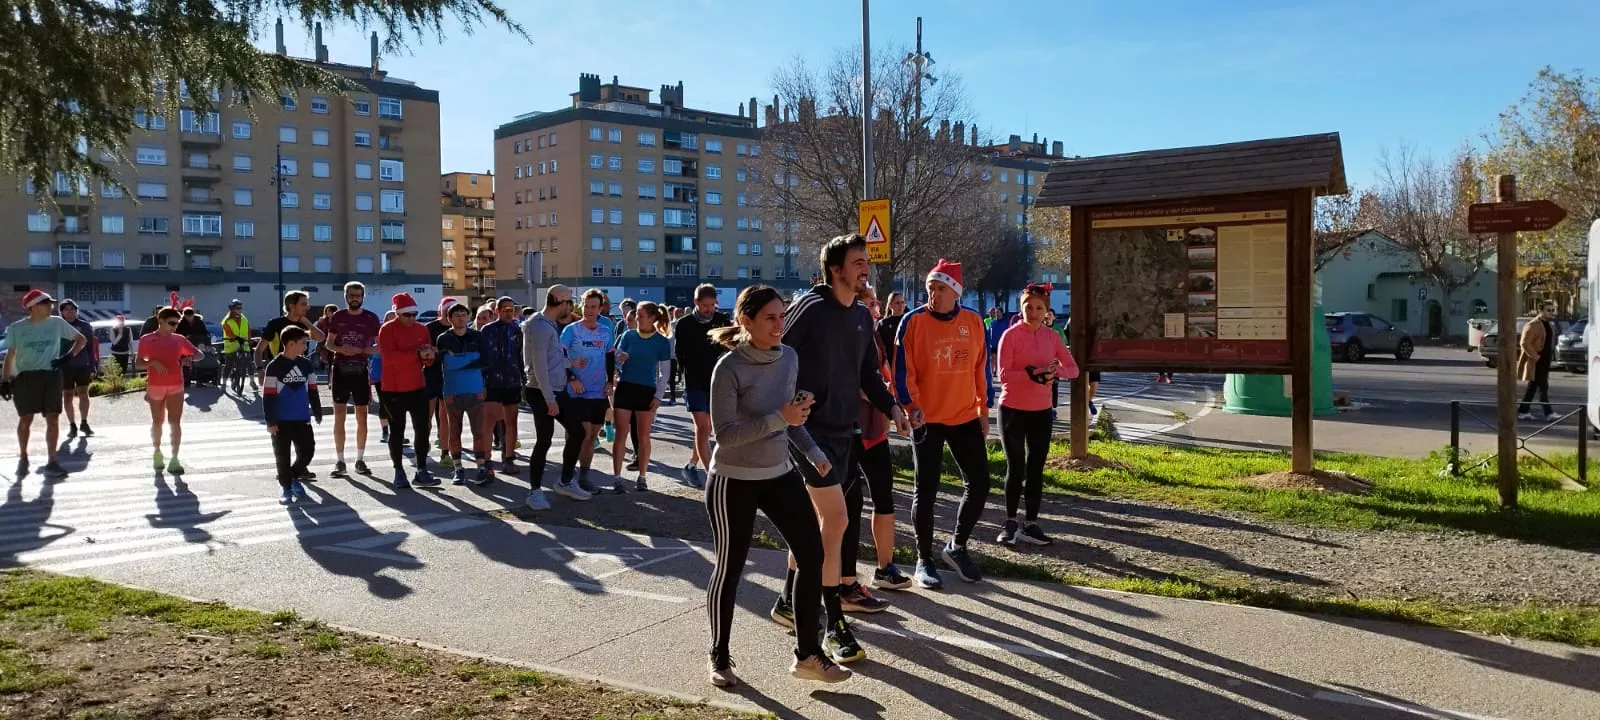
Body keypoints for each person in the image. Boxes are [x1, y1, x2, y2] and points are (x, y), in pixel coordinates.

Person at [703, 285, 850, 687]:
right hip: (733, 479)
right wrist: (780, 418)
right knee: (729, 569)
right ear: (745, 322)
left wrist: (814, 451)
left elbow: (792, 419)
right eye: (770, 317)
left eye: (782, 316)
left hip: (779, 473)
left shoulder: (789, 357)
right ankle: (719, 655)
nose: (779, 324)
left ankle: (807, 654)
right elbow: (726, 435)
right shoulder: (728, 368)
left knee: (812, 554)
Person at [778, 233, 909, 665]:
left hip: (842, 433)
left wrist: (892, 406)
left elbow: (868, 373)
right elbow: (777, 354)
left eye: (865, 261)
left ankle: (786, 601)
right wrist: (785, 405)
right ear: (835, 269)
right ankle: (833, 622)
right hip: (806, 432)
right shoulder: (811, 308)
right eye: (857, 261)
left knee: (821, 525)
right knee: (836, 522)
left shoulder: (860, 316)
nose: (864, 268)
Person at [895, 258, 993, 588]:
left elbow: (981, 369)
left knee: (980, 483)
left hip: (965, 415)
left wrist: (983, 409)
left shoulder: (974, 321)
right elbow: (901, 372)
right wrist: (911, 407)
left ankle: (957, 546)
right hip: (928, 420)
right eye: (930, 289)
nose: (933, 295)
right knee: (927, 490)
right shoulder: (912, 322)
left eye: (940, 288)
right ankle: (924, 559)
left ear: (955, 292)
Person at [997, 284, 1080, 547]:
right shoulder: (1010, 335)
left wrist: (1053, 373)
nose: (1033, 312)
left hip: (1041, 412)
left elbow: (1073, 369)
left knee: (1035, 469)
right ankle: (1010, 522)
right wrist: (1032, 373)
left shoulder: (1052, 337)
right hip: (1012, 409)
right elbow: (1003, 374)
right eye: (1028, 307)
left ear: (1047, 311)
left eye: (1038, 308)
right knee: (1016, 466)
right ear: (1021, 308)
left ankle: (1031, 524)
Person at [852, 284, 911, 594]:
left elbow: (880, 377)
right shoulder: (843, 334)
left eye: (875, 303)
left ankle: (884, 567)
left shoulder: (874, 334)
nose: (875, 308)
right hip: (844, 430)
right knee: (839, 507)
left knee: (883, 495)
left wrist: (894, 407)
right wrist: (877, 397)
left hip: (875, 429)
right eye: (868, 303)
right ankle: (823, 578)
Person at [1, 289, 87, 478]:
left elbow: (81, 340)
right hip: (26, 377)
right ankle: (23, 456)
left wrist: (67, 357)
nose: (52, 306)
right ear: (33, 307)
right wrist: (5, 380)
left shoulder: (56, 323)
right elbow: (10, 355)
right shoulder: (17, 328)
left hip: (51, 376)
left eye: (51, 303)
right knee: (26, 419)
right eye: (47, 303)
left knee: (53, 418)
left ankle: (52, 461)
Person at [521, 285, 575, 511]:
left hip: (551, 388)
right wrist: (550, 399)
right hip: (543, 390)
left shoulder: (544, 323)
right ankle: (535, 492)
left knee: (577, 431)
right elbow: (539, 366)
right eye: (569, 302)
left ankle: (565, 481)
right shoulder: (541, 326)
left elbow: (548, 360)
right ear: (560, 302)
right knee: (544, 439)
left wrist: (570, 364)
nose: (571, 307)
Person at [378, 293, 440, 489]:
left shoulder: (422, 329)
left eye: (414, 314)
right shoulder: (387, 329)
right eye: (407, 315)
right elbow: (389, 357)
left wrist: (429, 357)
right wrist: (416, 353)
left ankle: (421, 470)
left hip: (417, 386)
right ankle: (399, 471)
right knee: (397, 431)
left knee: (423, 430)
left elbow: (426, 360)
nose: (412, 318)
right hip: (393, 388)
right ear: (397, 313)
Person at [558, 289, 616, 495]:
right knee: (581, 434)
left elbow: (610, 357)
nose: (589, 310)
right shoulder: (571, 331)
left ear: (600, 309)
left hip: (598, 391)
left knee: (592, 435)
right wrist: (571, 378)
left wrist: (610, 381)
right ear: (580, 306)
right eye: (586, 306)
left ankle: (584, 477)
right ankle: (568, 477)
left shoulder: (605, 331)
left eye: (593, 307)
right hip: (576, 391)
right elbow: (558, 357)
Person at [674, 283, 732, 488]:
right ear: (696, 303)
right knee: (702, 427)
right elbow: (680, 355)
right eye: (705, 305)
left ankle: (692, 464)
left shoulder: (722, 320)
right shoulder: (684, 324)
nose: (709, 309)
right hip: (695, 382)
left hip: (719, 381)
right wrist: (682, 378)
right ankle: (711, 477)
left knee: (712, 429)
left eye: (712, 305)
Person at [611, 301, 673, 492]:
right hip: (625, 387)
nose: (636, 318)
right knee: (621, 434)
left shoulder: (662, 342)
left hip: (646, 390)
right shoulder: (628, 335)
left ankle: (642, 477)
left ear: (653, 318)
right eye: (636, 314)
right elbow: (616, 361)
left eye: (640, 315)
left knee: (643, 435)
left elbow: (665, 373)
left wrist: (658, 397)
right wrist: (619, 360)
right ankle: (617, 478)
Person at [324, 282, 382, 477]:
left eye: (358, 295)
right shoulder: (338, 317)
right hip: (340, 368)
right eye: (351, 295)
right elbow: (329, 344)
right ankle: (340, 460)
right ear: (345, 296)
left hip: (360, 369)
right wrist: (341, 349)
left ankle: (360, 459)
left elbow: (380, 347)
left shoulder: (371, 318)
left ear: (363, 296)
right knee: (339, 416)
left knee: (362, 417)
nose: (354, 298)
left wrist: (363, 350)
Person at [263, 326, 323, 504]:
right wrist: (270, 421)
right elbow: (268, 396)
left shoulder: (305, 364)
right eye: (303, 343)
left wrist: (317, 410)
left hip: (302, 418)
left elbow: (313, 389)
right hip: (281, 421)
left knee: (307, 452)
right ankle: (286, 489)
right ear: (290, 344)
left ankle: (292, 476)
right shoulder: (274, 367)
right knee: (282, 456)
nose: (306, 346)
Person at [435, 302, 493, 486]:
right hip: (452, 391)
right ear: (449, 318)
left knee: (479, 431)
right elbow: (445, 364)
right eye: (457, 315)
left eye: (463, 314)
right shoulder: (443, 338)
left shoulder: (477, 335)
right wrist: (470, 359)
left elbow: (486, 360)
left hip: (475, 390)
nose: (461, 318)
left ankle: (481, 466)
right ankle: (458, 468)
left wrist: (459, 362)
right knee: (454, 431)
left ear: (468, 317)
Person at [138, 306, 198, 475]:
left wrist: (188, 357)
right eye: (171, 323)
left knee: (175, 422)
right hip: (155, 385)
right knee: (157, 421)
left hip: (176, 385)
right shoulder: (147, 339)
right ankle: (157, 453)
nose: (174, 326)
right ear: (161, 321)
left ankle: (175, 459)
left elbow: (199, 354)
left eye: (177, 323)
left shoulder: (179, 339)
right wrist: (152, 363)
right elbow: (138, 363)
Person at [480, 296, 526, 477]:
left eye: (511, 310)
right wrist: (482, 382)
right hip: (492, 381)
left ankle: (508, 458)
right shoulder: (487, 330)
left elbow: (521, 355)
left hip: (512, 380)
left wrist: (523, 378)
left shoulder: (517, 329)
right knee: (489, 422)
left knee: (510, 422)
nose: (509, 313)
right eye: (505, 310)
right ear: (497, 311)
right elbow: (482, 357)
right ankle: (486, 461)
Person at [256, 291, 326, 383]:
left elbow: (321, 337)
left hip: (299, 370)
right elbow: (259, 350)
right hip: (278, 370)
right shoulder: (275, 324)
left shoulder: (304, 324)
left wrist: (306, 322)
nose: (308, 307)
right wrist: (260, 369)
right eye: (303, 304)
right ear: (292, 306)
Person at [57, 299, 98, 438]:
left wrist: (93, 366)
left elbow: (90, 348)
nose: (70, 311)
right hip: (65, 367)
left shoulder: (85, 326)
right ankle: (72, 425)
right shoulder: (58, 327)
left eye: (72, 309)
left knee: (83, 394)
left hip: (82, 365)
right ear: (62, 312)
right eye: (67, 309)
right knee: (67, 396)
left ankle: (84, 422)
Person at [424, 298, 456, 471]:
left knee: (445, 417)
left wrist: (437, 351)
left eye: (453, 310)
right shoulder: (430, 328)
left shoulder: (457, 330)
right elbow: (424, 351)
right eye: (447, 310)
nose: (449, 313)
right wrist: (439, 352)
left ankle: (445, 452)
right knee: (427, 415)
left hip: (449, 376)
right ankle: (424, 445)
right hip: (430, 374)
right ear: (441, 311)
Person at [1518, 301, 1559, 421]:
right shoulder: (1533, 324)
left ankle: (1523, 411)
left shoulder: (1548, 324)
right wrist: (1536, 357)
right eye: (1548, 310)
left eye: (1552, 310)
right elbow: (1524, 343)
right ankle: (1549, 413)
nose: (1551, 312)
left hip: (1545, 360)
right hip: (1537, 361)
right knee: (1543, 387)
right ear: (1541, 311)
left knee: (1533, 387)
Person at [220, 300, 253, 392]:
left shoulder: (244, 319)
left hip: (244, 344)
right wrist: (235, 338)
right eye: (238, 308)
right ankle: (224, 383)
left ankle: (252, 381)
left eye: (241, 308)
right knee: (228, 365)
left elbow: (248, 330)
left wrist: (249, 339)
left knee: (249, 362)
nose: (240, 310)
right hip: (231, 345)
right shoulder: (226, 321)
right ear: (232, 309)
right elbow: (228, 332)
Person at [877, 292, 907, 372]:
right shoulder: (883, 324)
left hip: (906, 366)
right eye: (897, 303)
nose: (900, 305)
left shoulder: (909, 322)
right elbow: (879, 347)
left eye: (902, 302)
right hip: (889, 365)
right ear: (890, 305)